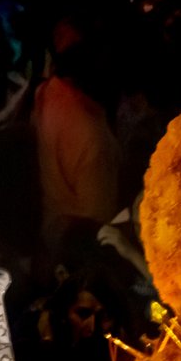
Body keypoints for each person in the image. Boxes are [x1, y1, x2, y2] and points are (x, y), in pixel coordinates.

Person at [31, 21, 122, 243]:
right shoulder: (91, 135)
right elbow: (98, 222)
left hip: (49, 229)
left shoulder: (48, 91)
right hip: (73, 246)